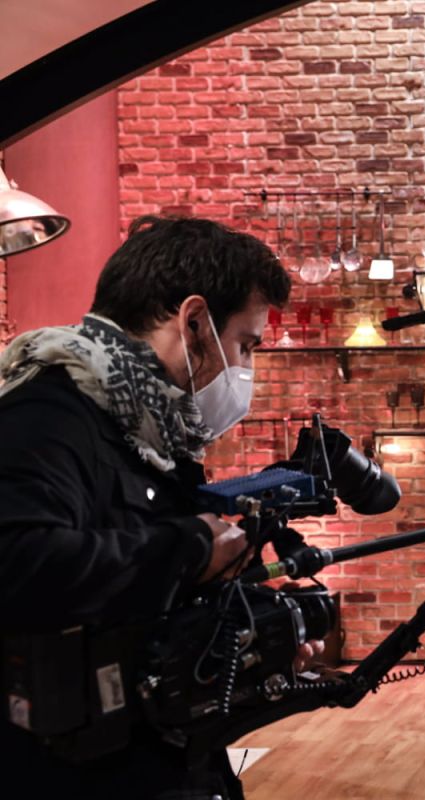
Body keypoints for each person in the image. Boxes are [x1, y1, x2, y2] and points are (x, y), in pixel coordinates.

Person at [0, 216, 293, 799]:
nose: (246, 369)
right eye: (244, 345)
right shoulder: (48, 417)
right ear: (194, 322)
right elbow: (16, 560)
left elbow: (139, 599)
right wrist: (188, 548)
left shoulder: (148, 427)